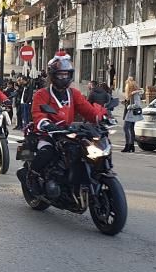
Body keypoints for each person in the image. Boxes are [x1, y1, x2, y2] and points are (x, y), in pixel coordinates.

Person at [26, 53, 107, 195]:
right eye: (60, 75)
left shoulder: (74, 93)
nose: (64, 78)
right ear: (53, 75)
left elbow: (88, 110)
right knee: (47, 151)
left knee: (87, 149)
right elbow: (38, 113)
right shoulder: (42, 94)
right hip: (48, 133)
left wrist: (102, 117)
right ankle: (32, 176)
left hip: (68, 132)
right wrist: (45, 123)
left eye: (66, 74)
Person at [122, 80, 144, 153]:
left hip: (131, 114)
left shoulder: (135, 94)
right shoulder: (133, 94)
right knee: (131, 129)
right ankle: (131, 146)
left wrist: (129, 106)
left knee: (126, 128)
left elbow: (137, 104)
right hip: (131, 113)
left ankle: (128, 145)